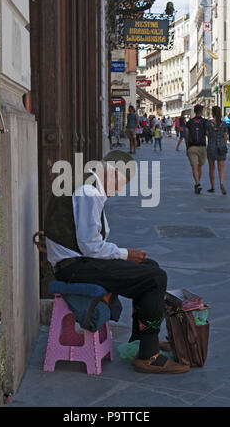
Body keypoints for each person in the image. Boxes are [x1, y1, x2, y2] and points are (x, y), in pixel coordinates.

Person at [44, 151, 189, 375]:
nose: (121, 189)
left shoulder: (88, 183)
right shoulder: (89, 191)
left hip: (79, 260)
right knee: (154, 278)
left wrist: (123, 256)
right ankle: (149, 356)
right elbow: (90, 246)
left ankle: (141, 341)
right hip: (74, 267)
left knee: (150, 267)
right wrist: (124, 254)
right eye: (122, 182)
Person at [185, 105, 208, 194]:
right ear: (201, 112)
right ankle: (198, 183)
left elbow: (186, 136)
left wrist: (187, 148)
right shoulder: (205, 122)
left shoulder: (190, 122)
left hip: (192, 147)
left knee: (194, 167)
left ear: (194, 111)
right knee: (199, 167)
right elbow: (207, 133)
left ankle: (197, 183)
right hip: (202, 147)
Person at [207, 106, 228, 195]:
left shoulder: (209, 123)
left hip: (211, 146)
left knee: (212, 168)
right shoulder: (223, 124)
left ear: (213, 113)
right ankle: (222, 183)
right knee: (221, 168)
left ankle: (212, 187)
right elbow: (225, 137)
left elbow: (207, 135)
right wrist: (224, 145)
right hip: (221, 146)